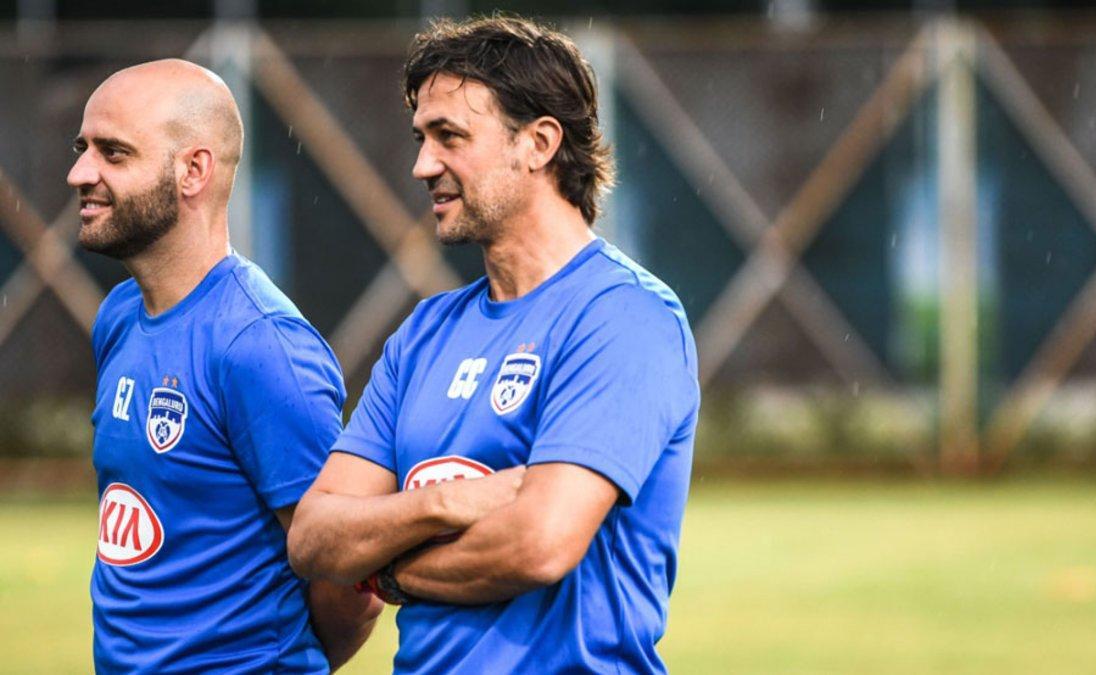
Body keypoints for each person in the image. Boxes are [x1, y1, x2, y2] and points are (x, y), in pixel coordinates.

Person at [287, 16, 701, 674]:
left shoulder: (625, 316)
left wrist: (387, 572)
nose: (423, 165)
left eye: (449, 136)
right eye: (421, 138)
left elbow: (538, 543)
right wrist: (444, 502)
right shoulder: (423, 333)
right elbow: (312, 536)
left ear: (538, 143)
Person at [70, 59, 381, 673]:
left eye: (113, 153)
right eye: (82, 148)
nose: (80, 172)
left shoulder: (259, 345)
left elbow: (350, 580)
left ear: (193, 171)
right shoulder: (120, 314)